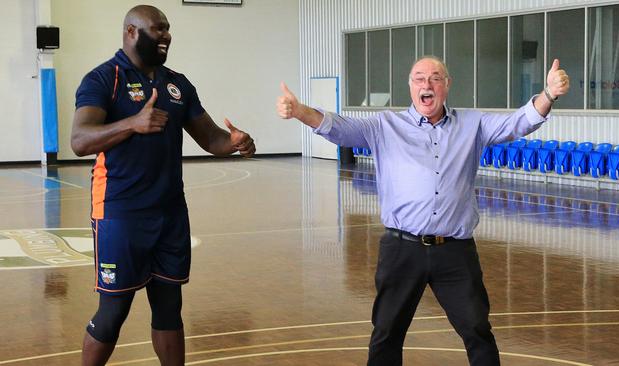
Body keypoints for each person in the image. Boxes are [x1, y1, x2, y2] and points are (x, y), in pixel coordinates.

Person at [277, 56, 569, 365]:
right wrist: (300, 112)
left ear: (447, 85)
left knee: (477, 330)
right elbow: (338, 128)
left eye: (435, 78)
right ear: (410, 86)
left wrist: (548, 94)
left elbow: (520, 121)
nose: (426, 84)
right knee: (387, 332)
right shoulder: (385, 126)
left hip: (455, 252)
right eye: (419, 78)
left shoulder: (473, 124)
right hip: (402, 249)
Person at [71, 5, 255, 365]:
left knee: (170, 308)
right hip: (120, 213)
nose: (166, 35)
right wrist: (132, 124)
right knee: (114, 310)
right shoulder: (103, 79)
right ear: (131, 32)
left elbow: (211, 138)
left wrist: (235, 143)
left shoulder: (177, 84)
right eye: (157, 29)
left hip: (170, 213)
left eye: (168, 29)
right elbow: (80, 140)